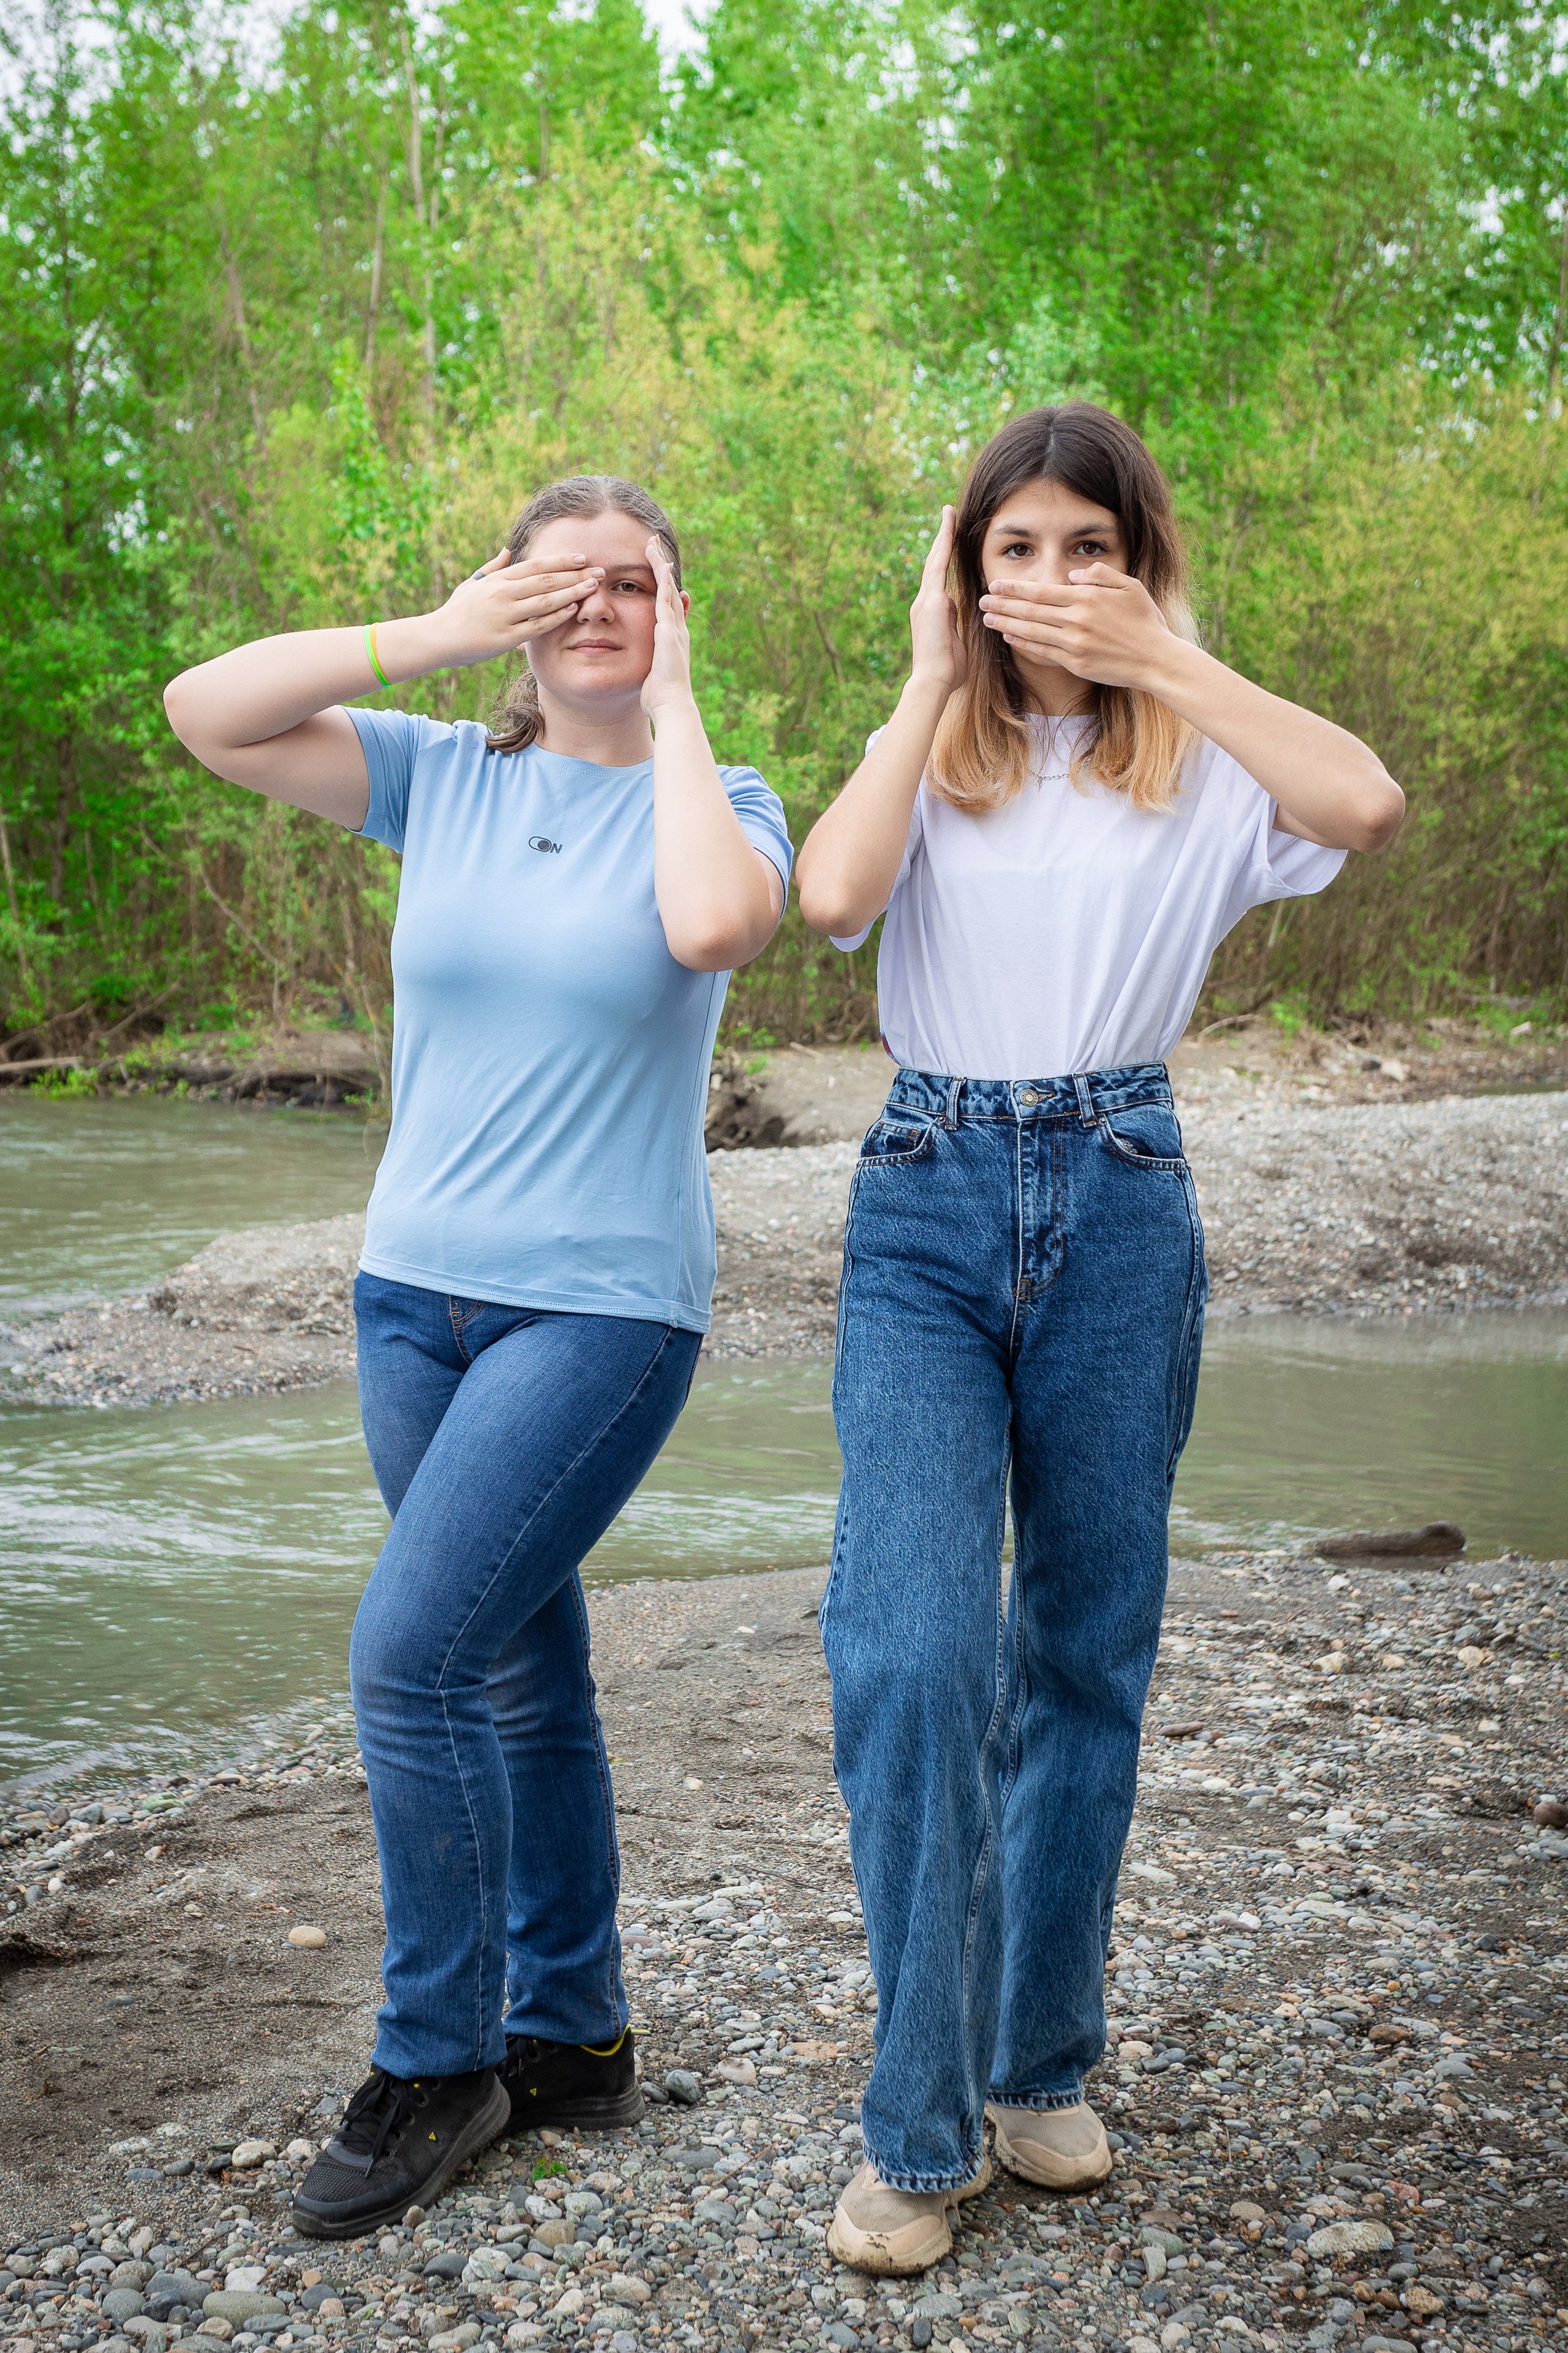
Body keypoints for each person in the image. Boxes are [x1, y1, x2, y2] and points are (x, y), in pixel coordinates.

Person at [794, 404, 1403, 2275]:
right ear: (965, 574)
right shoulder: (938, 747)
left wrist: (1169, 657)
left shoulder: (1201, 762)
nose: (1051, 581)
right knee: (908, 1646)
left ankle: (1038, 2058)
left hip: (1124, 1196)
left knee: (1083, 1653)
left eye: (1087, 545)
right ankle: (917, 2129)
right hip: (927, 1194)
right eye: (1016, 550)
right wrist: (919, 680)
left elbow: (1365, 803)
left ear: (1139, 556)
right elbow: (825, 900)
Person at [162, 475, 791, 2237]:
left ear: (676, 614)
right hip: (408, 1300)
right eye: (561, 579)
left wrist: (669, 705)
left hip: (600, 1312)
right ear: (513, 593)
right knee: (517, 1669)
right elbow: (202, 710)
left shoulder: (724, 800)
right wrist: (438, 632)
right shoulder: (443, 770)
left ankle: (439, 2057)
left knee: (405, 1654)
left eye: (635, 584)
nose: (596, 607)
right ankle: (573, 2031)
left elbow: (714, 928)